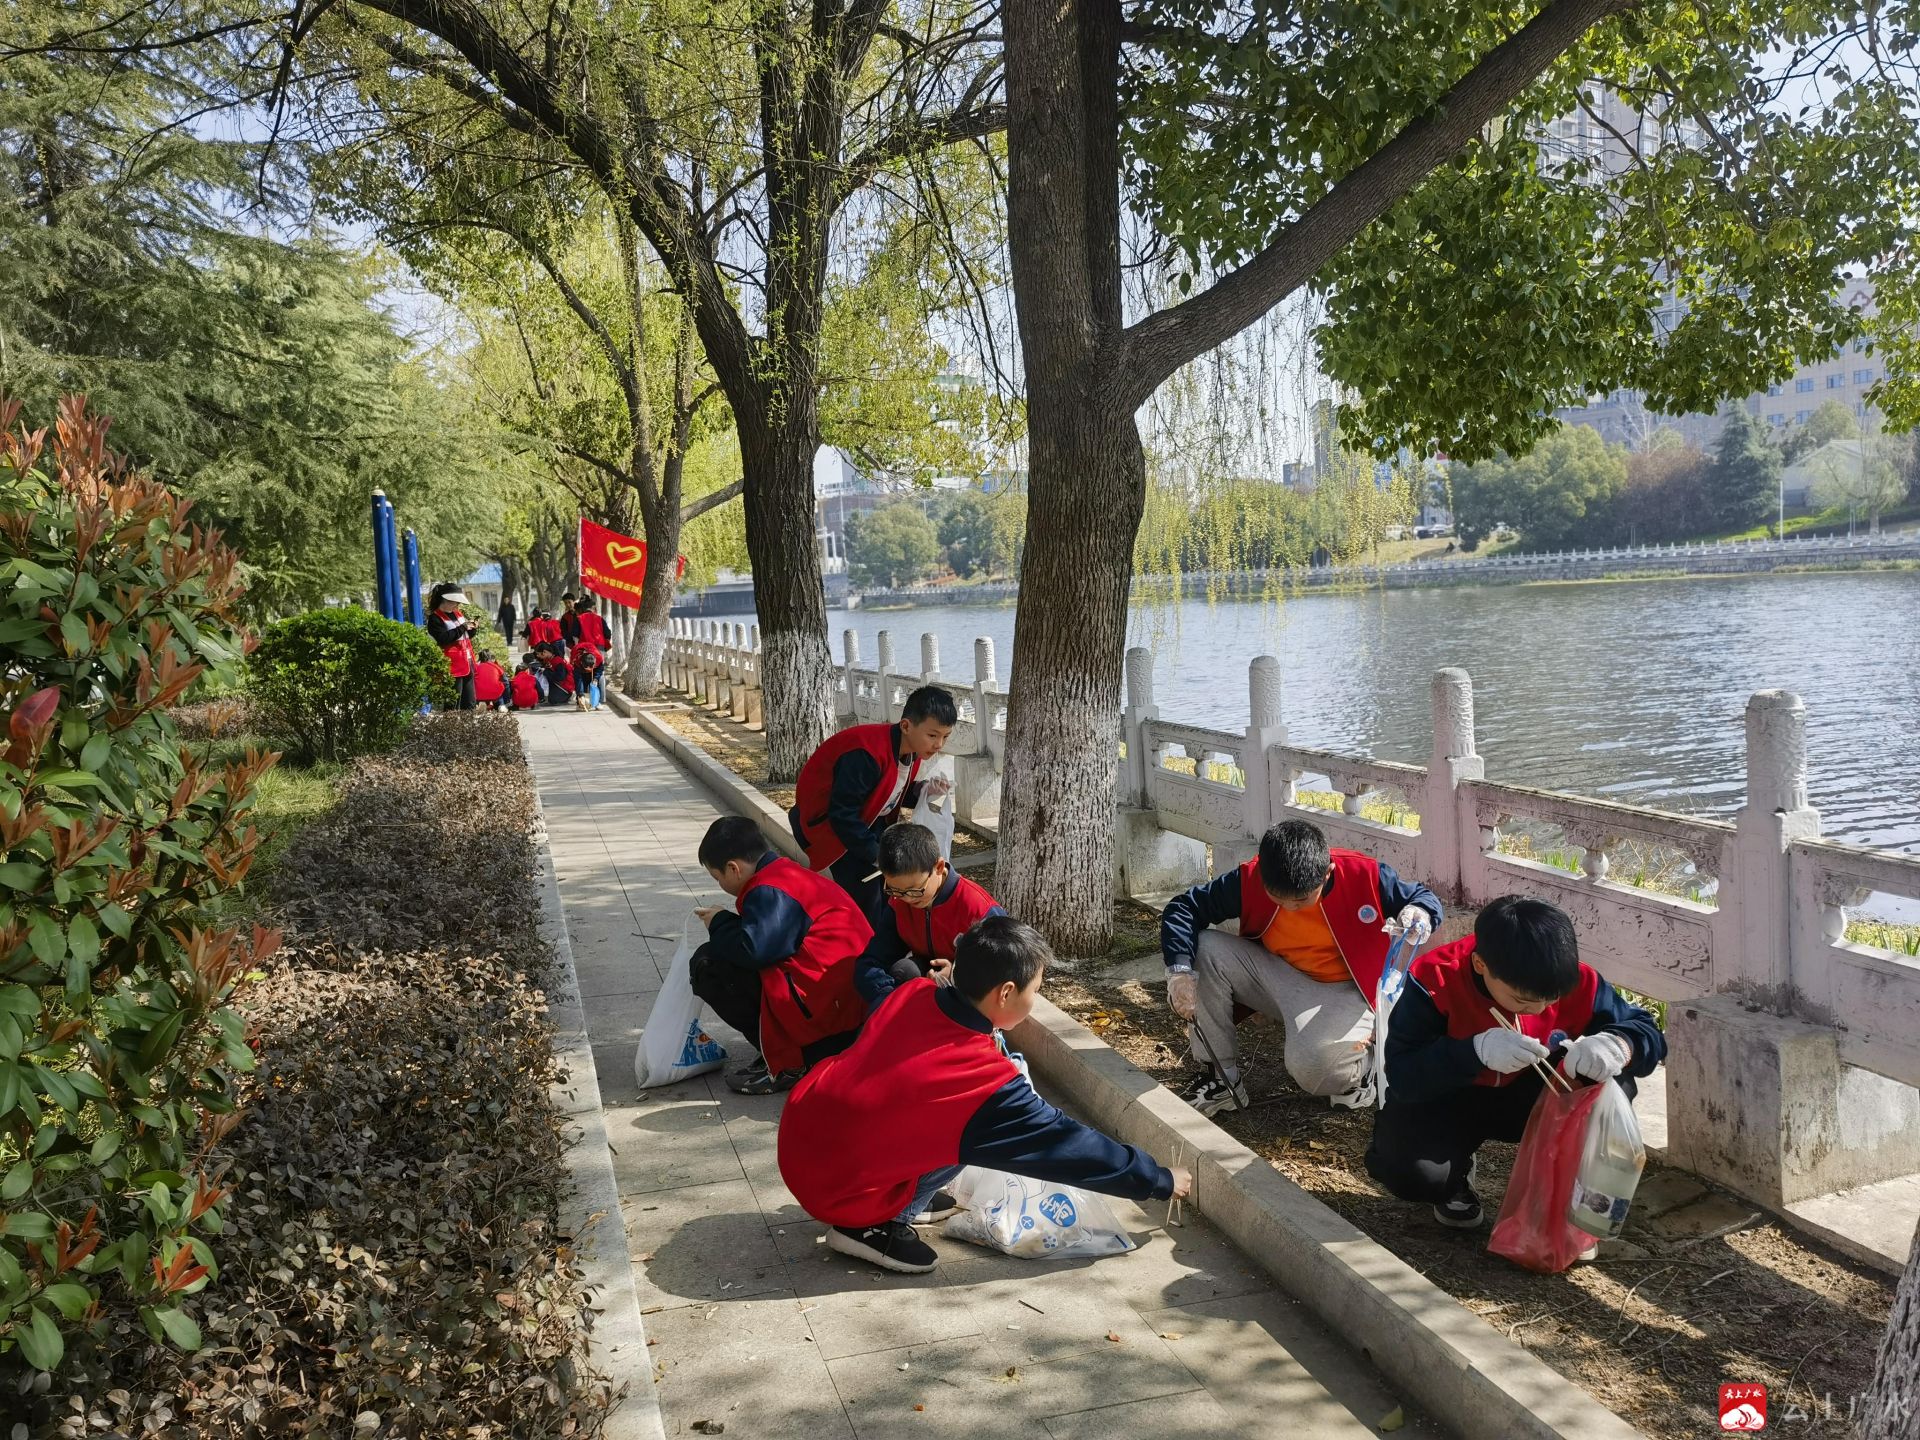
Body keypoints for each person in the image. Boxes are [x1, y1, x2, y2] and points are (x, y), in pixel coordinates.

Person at [777, 913, 1192, 1274]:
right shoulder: (981, 1083)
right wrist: (1155, 1178)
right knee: (972, 1135)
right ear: (1006, 993)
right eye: (1036, 989)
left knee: (957, 1128)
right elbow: (1066, 1144)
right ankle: (870, 1226)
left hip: (803, 1134)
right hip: (835, 1186)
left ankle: (902, 1195)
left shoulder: (913, 993)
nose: (1036, 999)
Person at [1363, 895, 1666, 1230]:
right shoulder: (1436, 980)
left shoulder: (1573, 980)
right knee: (1413, 1173)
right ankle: (1455, 1175)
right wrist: (1474, 1051)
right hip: (1450, 1095)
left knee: (1614, 1083)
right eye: (1521, 1000)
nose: (1537, 1010)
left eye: (1549, 1001)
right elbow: (1404, 1074)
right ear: (1480, 965)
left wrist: (1618, 1045)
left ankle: (1575, 1199)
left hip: (1533, 1092)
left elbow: (1647, 1033)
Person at [1162, 818, 1442, 1114]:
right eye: (1277, 898)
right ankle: (1222, 1080)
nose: (1289, 907)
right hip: (1279, 974)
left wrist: (1419, 913)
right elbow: (1184, 908)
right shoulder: (1251, 878)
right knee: (1204, 947)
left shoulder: (1366, 875)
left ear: (1327, 873)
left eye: (1301, 899)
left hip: (1349, 989)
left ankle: (1365, 1065)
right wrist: (1178, 973)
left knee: (1316, 1071)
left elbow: (1423, 898)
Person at [692, 815, 871, 1095]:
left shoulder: (769, 890)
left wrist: (719, 922)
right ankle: (792, 1049)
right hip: (849, 1000)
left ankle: (791, 1063)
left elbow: (753, 951)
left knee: (708, 965)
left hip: (830, 1007)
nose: (720, 885)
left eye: (718, 878)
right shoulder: (785, 873)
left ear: (733, 868)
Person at [788, 686, 958, 921]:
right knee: (868, 901)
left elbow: (888, 792)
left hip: (866, 821)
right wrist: (880, 857)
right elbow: (842, 815)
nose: (939, 744)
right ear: (906, 726)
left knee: (889, 895)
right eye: (933, 735)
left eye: (945, 737)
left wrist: (925, 790)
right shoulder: (866, 753)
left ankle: (879, 947)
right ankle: (866, 953)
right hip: (829, 827)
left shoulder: (911, 750)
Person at [854, 822, 1002, 1009]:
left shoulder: (979, 910)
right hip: (924, 989)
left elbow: (1003, 975)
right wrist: (889, 1001)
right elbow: (871, 961)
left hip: (966, 998)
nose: (906, 899)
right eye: (894, 890)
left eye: (914, 890)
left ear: (939, 867)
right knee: (904, 971)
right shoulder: (898, 903)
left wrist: (957, 977)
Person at [426, 583, 476, 711]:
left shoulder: (458, 614)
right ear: (446, 600)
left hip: (467, 662)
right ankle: (451, 729)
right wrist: (462, 627)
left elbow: (465, 635)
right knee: (453, 703)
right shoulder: (435, 618)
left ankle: (468, 729)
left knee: (470, 702)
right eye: (455, 602)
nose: (457, 605)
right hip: (452, 665)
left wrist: (472, 628)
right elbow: (443, 639)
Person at [572, 642, 605, 712]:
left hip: (594, 667)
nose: (589, 671)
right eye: (587, 669)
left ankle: (597, 702)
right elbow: (578, 679)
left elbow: (600, 669)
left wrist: (596, 678)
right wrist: (580, 694)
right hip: (580, 669)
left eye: (591, 668)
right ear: (581, 663)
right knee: (582, 683)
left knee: (599, 680)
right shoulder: (575, 660)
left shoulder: (598, 657)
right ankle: (580, 703)